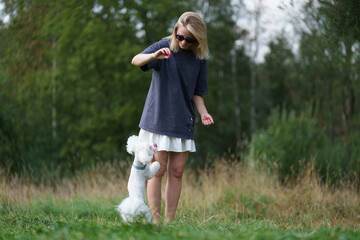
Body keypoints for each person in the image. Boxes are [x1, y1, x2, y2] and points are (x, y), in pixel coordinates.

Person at [131, 11, 214, 223]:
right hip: (158, 119)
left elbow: (197, 92)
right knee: (157, 171)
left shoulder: (199, 58)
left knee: (177, 172)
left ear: (198, 39)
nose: (183, 42)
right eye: (180, 36)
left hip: (182, 121)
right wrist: (153, 56)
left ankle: (169, 222)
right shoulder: (165, 46)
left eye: (189, 39)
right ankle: (156, 222)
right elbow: (135, 60)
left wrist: (204, 113)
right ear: (175, 30)